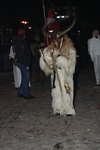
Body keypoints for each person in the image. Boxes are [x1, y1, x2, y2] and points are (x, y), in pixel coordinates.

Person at [12, 28, 35, 99]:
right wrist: (27, 64)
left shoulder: (17, 41)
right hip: (23, 63)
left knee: (24, 77)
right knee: (26, 78)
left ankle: (21, 92)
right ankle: (26, 94)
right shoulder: (21, 42)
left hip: (20, 62)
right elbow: (23, 54)